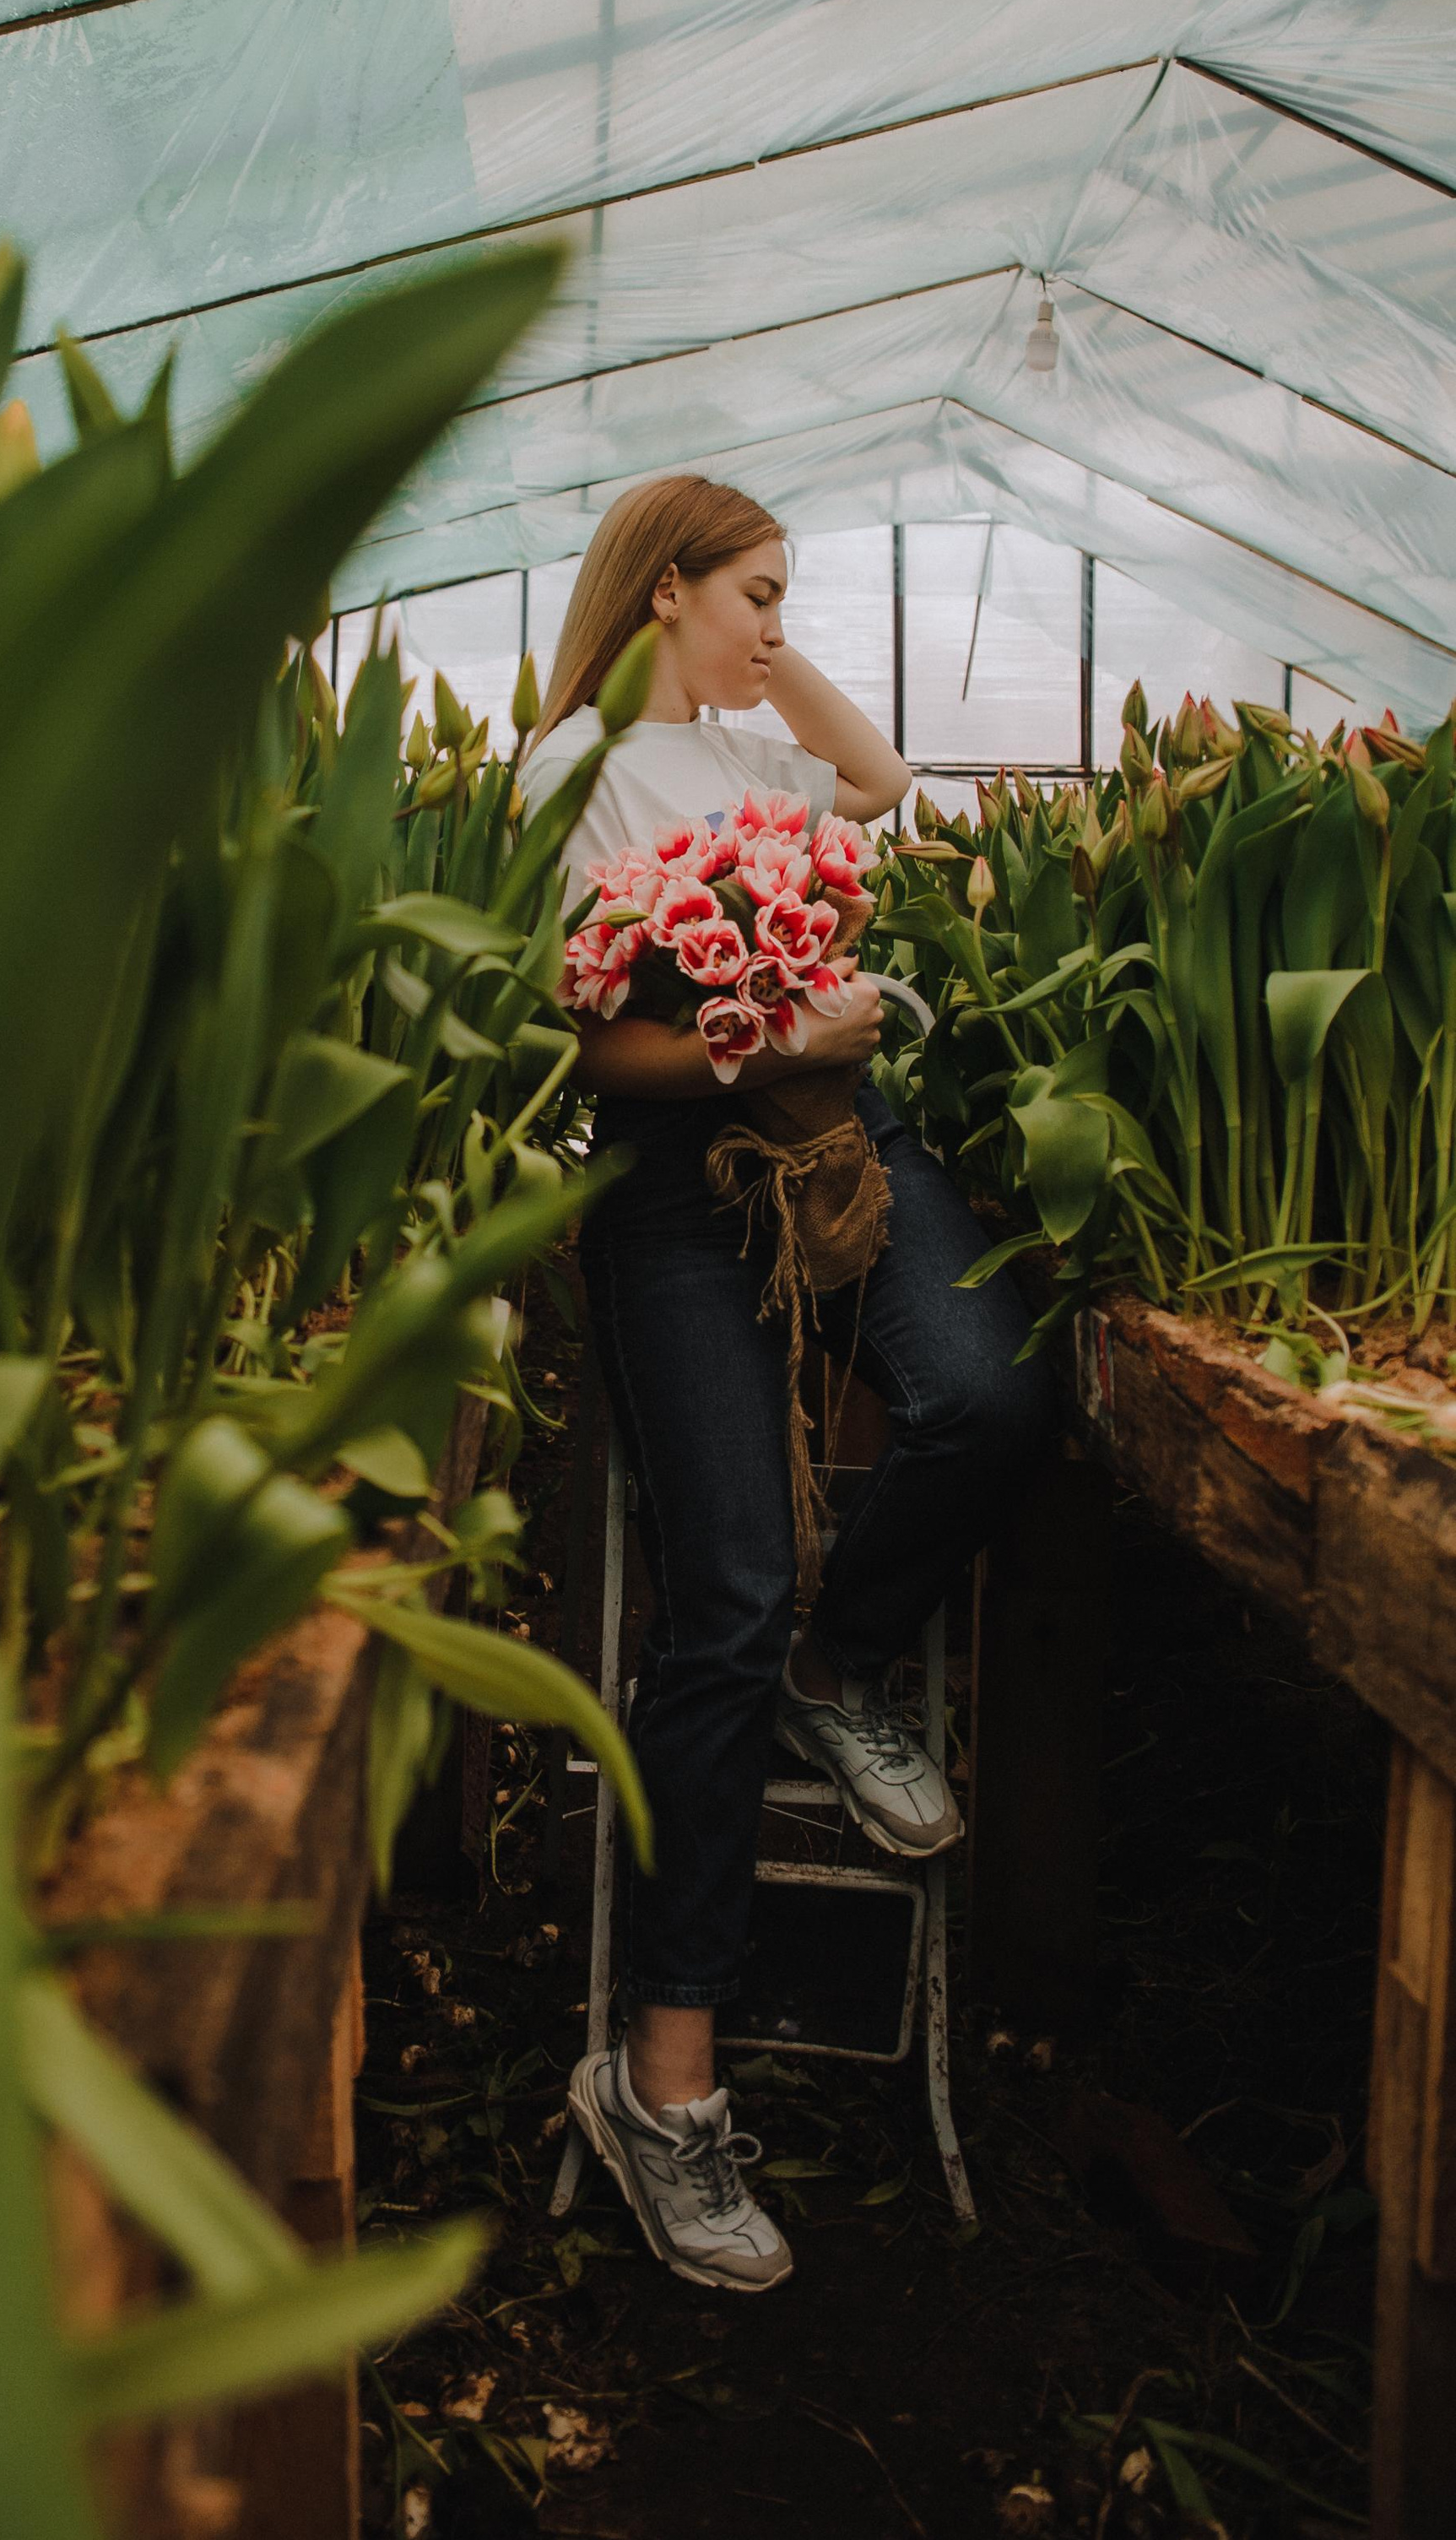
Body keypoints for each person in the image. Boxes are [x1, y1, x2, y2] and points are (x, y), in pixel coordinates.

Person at [519, 474, 1056, 2294]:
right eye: (752, 589)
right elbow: (605, 1042)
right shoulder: (565, 774)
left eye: (785, 595)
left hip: (852, 1135)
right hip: (680, 1187)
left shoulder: (749, 766)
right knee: (719, 1596)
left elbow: (882, 787)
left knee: (983, 1398)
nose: (774, 622)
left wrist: (764, 649)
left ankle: (846, 1661)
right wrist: (769, 1023)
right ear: (661, 589)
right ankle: (659, 2081)